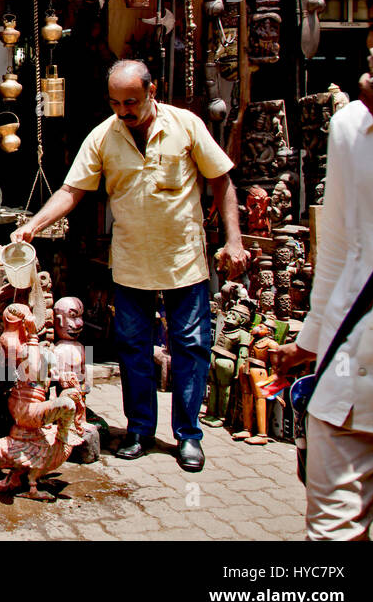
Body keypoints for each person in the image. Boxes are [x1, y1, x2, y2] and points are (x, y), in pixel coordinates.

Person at [13, 59, 249, 472]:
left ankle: (188, 436)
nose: (125, 111)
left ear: (151, 90)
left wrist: (234, 240)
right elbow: (72, 189)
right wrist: (33, 225)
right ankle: (139, 430)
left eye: (132, 102)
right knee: (134, 350)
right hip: (132, 263)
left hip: (184, 261)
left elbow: (222, 180)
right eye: (117, 103)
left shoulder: (187, 125)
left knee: (191, 349)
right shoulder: (104, 137)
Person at [272, 0, 373, 540]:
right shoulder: (350, 127)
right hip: (354, 365)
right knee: (333, 535)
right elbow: (341, 245)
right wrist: (313, 337)